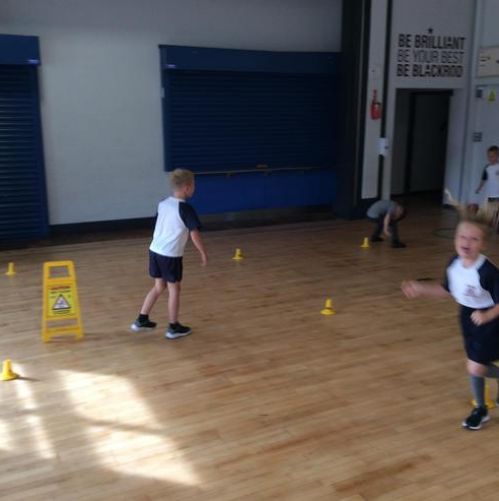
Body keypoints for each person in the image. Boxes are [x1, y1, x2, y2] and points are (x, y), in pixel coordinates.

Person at [402, 208, 499, 430]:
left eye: (474, 239)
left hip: (490, 318)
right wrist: (421, 289)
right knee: (479, 363)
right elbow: (449, 291)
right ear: (455, 239)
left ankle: (480, 410)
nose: (467, 242)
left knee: (475, 367)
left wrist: (487, 315)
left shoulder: (487, 271)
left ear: (483, 244)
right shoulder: (454, 264)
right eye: (462, 237)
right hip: (468, 316)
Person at [130, 169, 208, 339]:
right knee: (174, 289)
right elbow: (194, 233)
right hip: (170, 256)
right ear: (187, 187)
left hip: (155, 251)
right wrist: (203, 252)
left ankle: (141, 319)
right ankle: (173, 327)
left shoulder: (163, 203)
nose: (194, 188)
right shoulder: (186, 209)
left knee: (159, 286)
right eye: (193, 185)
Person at [475, 145, 499, 229]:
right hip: (489, 194)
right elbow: (483, 179)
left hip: (497, 195)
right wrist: (479, 188)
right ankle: (489, 224)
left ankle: (495, 226)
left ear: (497, 156)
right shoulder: (487, 168)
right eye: (488, 156)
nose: (490, 158)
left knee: (496, 212)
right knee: (488, 211)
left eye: (492, 156)